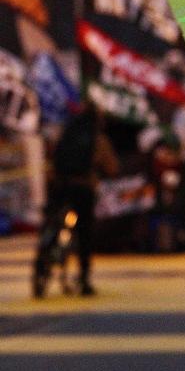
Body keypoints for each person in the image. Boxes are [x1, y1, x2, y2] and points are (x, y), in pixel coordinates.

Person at [35, 100, 119, 297]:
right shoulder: (98, 139)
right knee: (84, 234)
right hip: (83, 188)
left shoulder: (66, 133)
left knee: (51, 220)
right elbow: (112, 168)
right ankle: (84, 279)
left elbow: (52, 159)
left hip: (60, 187)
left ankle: (43, 255)